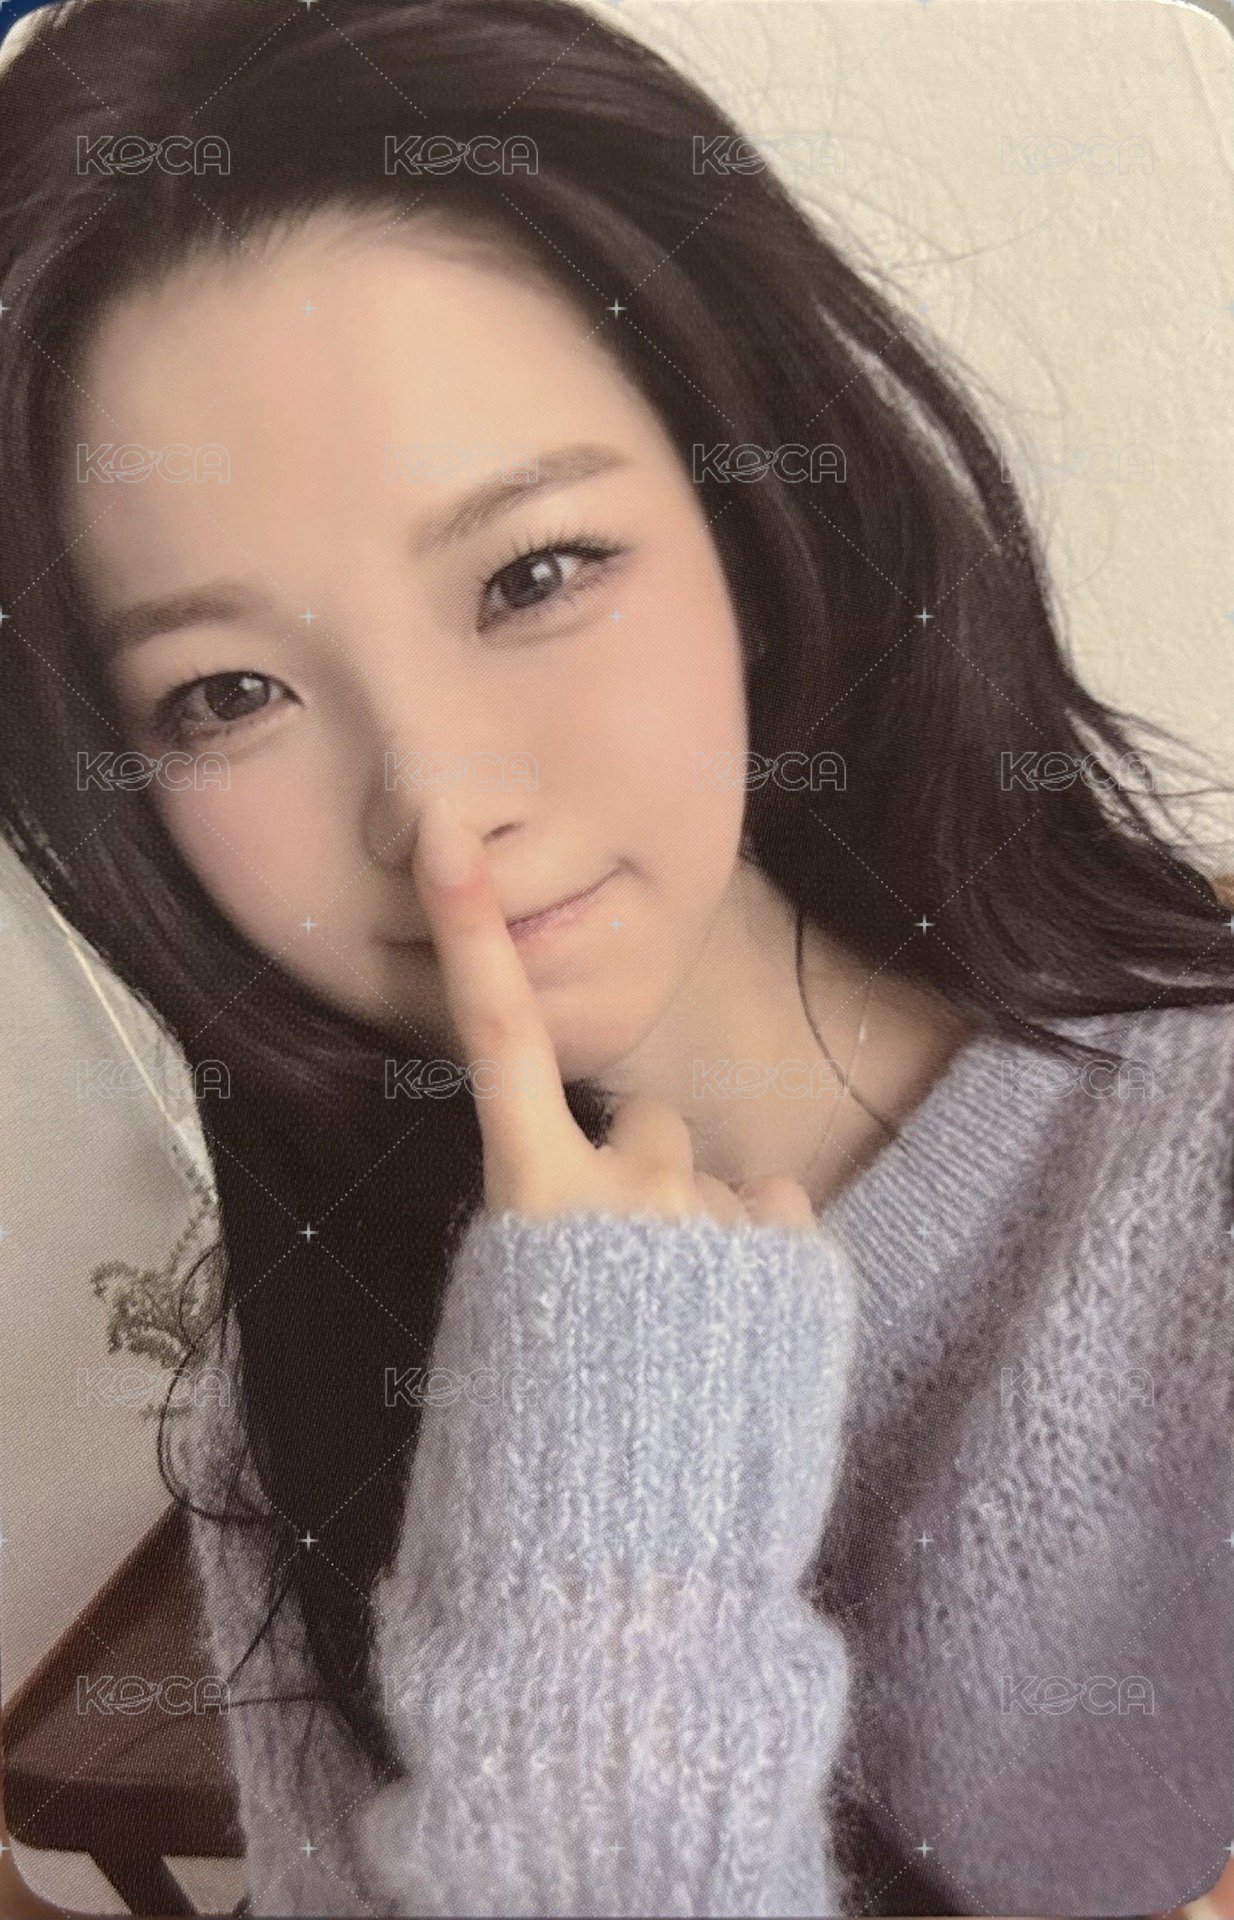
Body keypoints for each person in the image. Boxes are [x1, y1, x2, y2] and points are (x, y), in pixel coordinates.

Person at [0, 0, 1231, 1912]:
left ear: (749, 523)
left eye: (533, 574)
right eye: (227, 693)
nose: (437, 803)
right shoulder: (311, 1386)